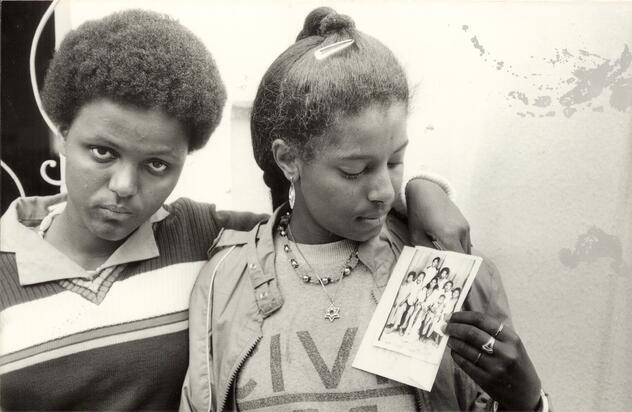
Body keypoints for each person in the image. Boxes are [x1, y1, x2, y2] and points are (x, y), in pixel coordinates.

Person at [0, 8, 473, 411]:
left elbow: (313, 213)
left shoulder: (198, 236)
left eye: (158, 164)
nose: (125, 187)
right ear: (60, 131)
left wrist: (425, 191)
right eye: (102, 152)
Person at [181, 7, 546, 412]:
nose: (383, 191)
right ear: (289, 159)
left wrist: (529, 401)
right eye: (355, 170)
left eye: (394, 162)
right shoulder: (225, 281)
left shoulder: (441, 265)